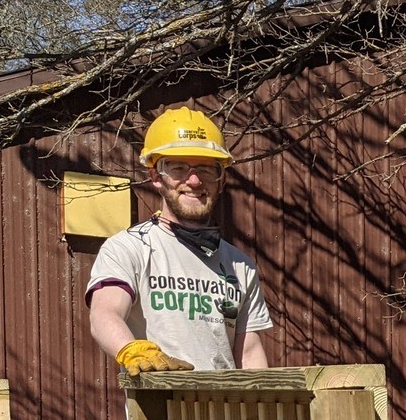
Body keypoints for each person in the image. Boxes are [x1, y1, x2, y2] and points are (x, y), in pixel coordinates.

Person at [86, 107, 273, 379]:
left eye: (207, 170)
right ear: (156, 176)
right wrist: (132, 350)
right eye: (178, 168)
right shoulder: (129, 248)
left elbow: (249, 353)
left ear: (221, 179)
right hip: (156, 419)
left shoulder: (239, 265)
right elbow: (104, 314)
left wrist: (262, 405)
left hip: (225, 418)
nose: (194, 180)